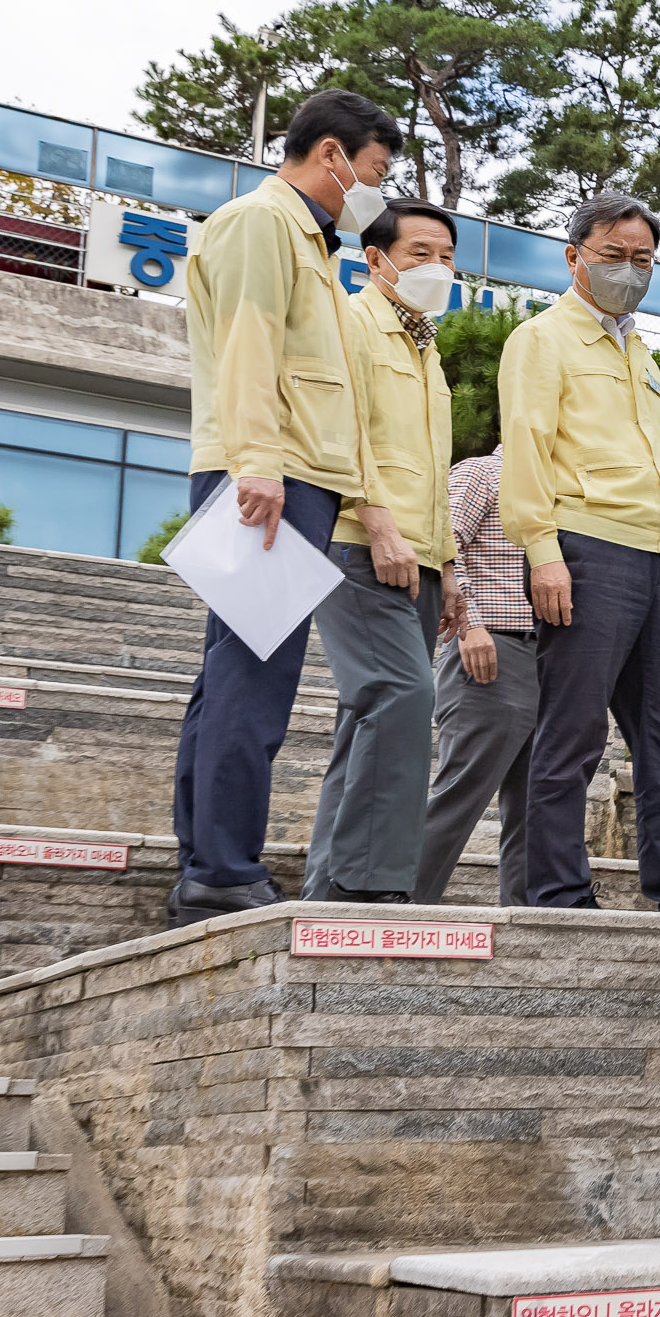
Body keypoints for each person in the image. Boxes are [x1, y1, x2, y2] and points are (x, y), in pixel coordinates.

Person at [168, 88, 403, 928]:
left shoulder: (311, 244)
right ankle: (223, 865)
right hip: (267, 477)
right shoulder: (261, 224)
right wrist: (257, 467)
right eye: (373, 170)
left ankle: (209, 860)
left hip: (295, 478)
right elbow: (248, 348)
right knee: (253, 679)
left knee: (234, 671)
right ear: (331, 153)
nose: (371, 188)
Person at [498, 193, 660, 912]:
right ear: (574, 257)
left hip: (656, 557)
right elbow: (526, 448)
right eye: (614, 255)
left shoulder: (645, 358)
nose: (630, 270)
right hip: (586, 549)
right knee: (572, 734)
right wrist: (542, 550)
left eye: (643, 259)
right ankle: (559, 893)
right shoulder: (542, 340)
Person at [300, 197, 457, 903]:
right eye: (421, 253)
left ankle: (326, 888)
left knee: (366, 716)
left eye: (447, 256)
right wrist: (378, 519)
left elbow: (433, 463)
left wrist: (449, 567)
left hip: (420, 557)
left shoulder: (427, 346)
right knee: (401, 695)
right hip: (360, 544)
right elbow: (341, 433)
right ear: (376, 258)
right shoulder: (353, 323)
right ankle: (370, 888)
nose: (437, 267)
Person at [412, 444, 538, 906]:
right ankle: (401, 906)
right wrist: (470, 624)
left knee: (535, 807)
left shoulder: (555, 491)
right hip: (489, 651)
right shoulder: (481, 474)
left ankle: (529, 918)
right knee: (460, 794)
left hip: (546, 658)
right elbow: (444, 545)